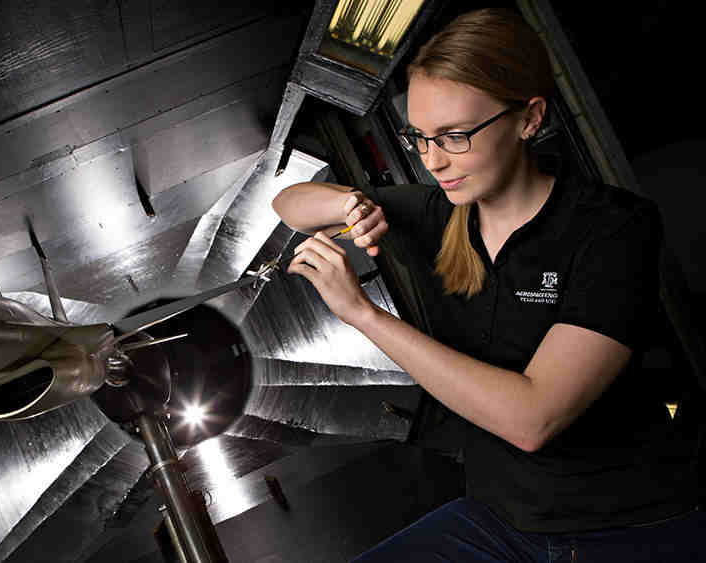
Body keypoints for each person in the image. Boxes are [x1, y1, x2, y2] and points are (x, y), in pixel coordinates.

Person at [271, 8, 702, 562]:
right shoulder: (439, 213)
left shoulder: (613, 229)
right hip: (501, 518)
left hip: (625, 523)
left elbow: (532, 418)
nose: (433, 161)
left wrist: (363, 315)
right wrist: (348, 204)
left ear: (529, 119)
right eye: (420, 138)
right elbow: (290, 203)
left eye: (454, 136)